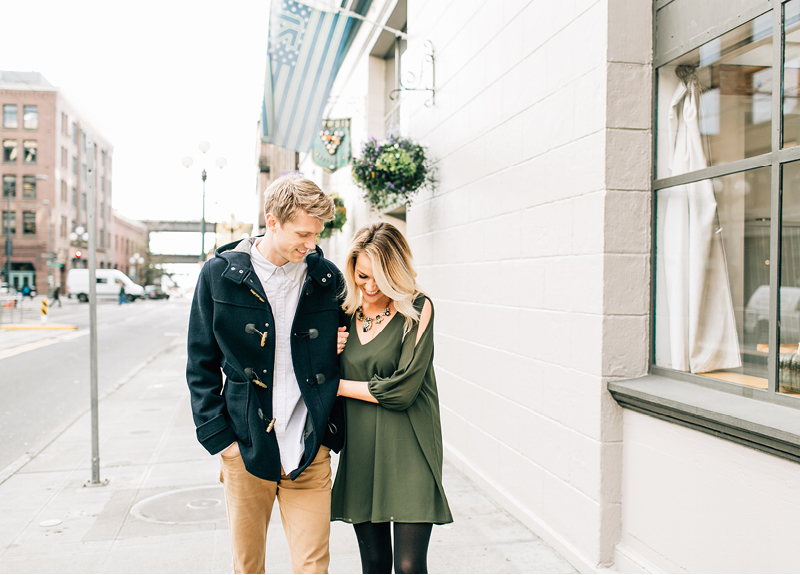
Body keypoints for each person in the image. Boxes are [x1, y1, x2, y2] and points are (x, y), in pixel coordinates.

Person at [187, 174, 348, 574]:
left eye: (316, 235)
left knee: (314, 566)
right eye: (302, 233)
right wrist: (222, 441)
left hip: (309, 448)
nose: (311, 245)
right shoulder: (219, 275)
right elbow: (200, 364)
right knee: (249, 566)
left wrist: (330, 430)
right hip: (245, 445)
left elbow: (343, 353)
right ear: (271, 220)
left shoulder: (326, 279)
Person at [331, 222, 453, 574]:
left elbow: (402, 390)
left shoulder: (417, 308)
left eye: (378, 279)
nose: (369, 287)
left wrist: (336, 385)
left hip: (410, 446)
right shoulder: (344, 313)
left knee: (410, 566)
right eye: (362, 276)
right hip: (362, 449)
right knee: (374, 564)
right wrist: (328, 350)